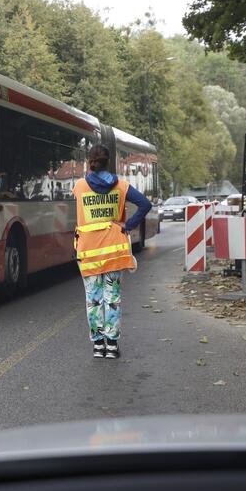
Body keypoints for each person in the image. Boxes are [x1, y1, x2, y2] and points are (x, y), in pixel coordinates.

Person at [73, 145, 152, 359]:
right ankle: (112, 346)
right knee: (112, 298)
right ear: (109, 162)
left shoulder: (79, 187)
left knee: (93, 299)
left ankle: (98, 345)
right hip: (114, 252)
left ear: (90, 161)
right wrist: (129, 225)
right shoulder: (121, 186)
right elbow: (145, 204)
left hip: (88, 252)